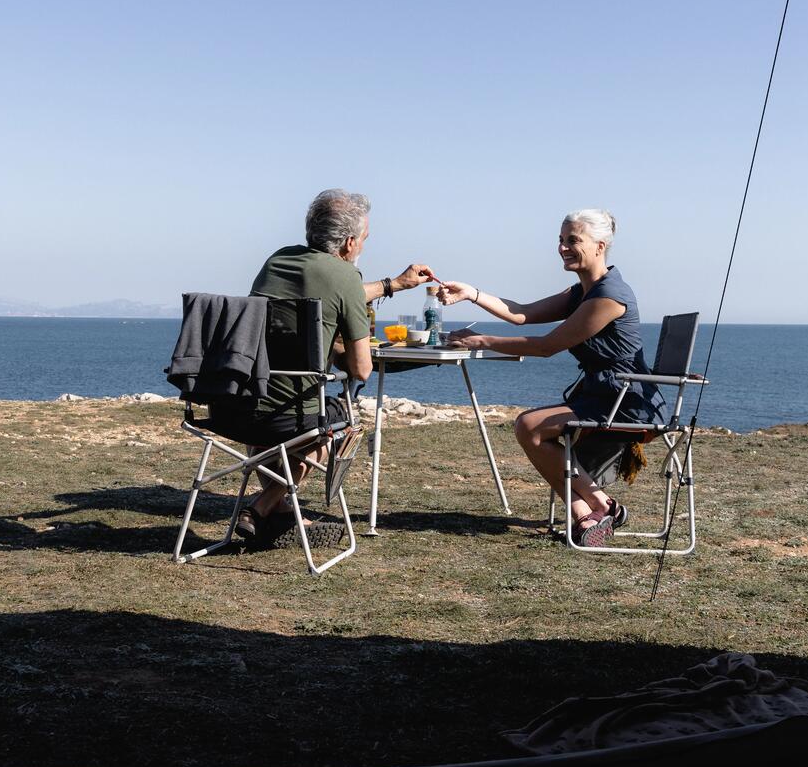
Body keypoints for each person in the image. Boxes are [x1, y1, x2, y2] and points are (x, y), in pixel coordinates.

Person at [436, 208, 659, 547]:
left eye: (573, 240)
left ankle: (599, 506)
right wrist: (471, 293)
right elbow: (522, 314)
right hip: (602, 395)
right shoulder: (583, 291)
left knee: (529, 426)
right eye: (561, 240)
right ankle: (591, 513)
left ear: (600, 246)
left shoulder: (609, 296)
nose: (563, 247)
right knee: (530, 427)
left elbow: (547, 346)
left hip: (624, 402)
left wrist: (482, 340)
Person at [232, 188, 435, 543]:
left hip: (240, 406)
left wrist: (395, 285)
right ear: (350, 243)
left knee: (279, 426)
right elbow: (361, 370)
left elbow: (334, 289)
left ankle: (280, 511)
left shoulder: (277, 261)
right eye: (365, 240)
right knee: (333, 428)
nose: (365, 247)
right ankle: (262, 506)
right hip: (291, 414)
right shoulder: (344, 278)